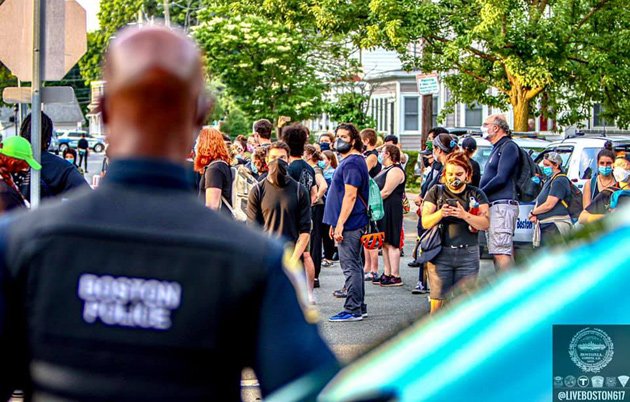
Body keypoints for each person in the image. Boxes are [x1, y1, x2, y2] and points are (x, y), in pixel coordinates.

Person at [0, 25, 338, 401]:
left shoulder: (18, 244)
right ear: (200, 111)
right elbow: (314, 390)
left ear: (105, 111)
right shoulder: (254, 260)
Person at [422, 152, 489, 314]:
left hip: (468, 254)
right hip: (440, 253)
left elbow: (486, 223)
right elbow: (425, 222)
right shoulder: (436, 192)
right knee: (437, 305)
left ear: (467, 175)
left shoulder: (476, 194)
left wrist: (464, 215)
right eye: (450, 174)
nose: (454, 178)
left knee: (465, 304)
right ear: (444, 175)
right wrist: (440, 214)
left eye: (459, 174)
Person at [246, 142, 312, 291]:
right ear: (267, 160)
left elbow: (305, 231)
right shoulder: (257, 190)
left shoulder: (299, 190)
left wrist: (293, 261)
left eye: (282, 157)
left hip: (293, 259)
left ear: (288, 160)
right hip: (266, 260)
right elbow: (252, 230)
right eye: (273, 157)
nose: (277, 161)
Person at [324, 123, 370, 322]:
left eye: (344, 136)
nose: (340, 139)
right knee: (355, 265)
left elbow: (350, 196)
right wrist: (336, 222)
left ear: (353, 140)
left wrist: (340, 223)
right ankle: (359, 305)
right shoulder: (351, 161)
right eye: (338, 136)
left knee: (350, 265)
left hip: (351, 223)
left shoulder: (352, 163)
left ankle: (353, 309)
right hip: (348, 221)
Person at [410, 128, 452, 295]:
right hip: (428, 213)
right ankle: (424, 281)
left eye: (431, 142)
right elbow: (429, 186)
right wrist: (422, 196)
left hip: (440, 219)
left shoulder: (446, 167)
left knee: (434, 249)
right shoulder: (435, 165)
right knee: (426, 245)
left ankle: (433, 285)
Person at [479, 114, 520, 270]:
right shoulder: (496, 148)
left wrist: (480, 192)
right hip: (494, 205)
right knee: (497, 250)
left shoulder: (508, 146)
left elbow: (501, 177)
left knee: (501, 251)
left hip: (502, 205)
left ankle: (511, 290)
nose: (483, 128)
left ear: (496, 127)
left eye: (486, 124)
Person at [281, 123, 317, 294]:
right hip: (307, 214)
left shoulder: (289, 169)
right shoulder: (308, 167)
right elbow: (315, 194)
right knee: (307, 255)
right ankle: (309, 292)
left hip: (292, 218)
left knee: (292, 254)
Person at [18, 112, 89, 199]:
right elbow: (91, 201)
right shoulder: (63, 168)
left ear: (21, 133)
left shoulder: (6, 163)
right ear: (48, 137)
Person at [374, 145, 406, 287]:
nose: (380, 154)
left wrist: (372, 201)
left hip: (392, 208)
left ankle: (395, 275)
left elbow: (386, 191)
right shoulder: (385, 170)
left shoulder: (396, 170)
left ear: (387, 154)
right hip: (383, 208)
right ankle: (387, 272)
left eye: (382, 152)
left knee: (392, 241)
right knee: (385, 242)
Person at [529, 152, 573, 247]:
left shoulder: (559, 180)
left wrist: (533, 213)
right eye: (544, 165)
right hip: (546, 225)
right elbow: (541, 199)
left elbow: (549, 204)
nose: (545, 168)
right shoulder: (550, 179)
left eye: (547, 165)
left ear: (556, 165)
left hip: (554, 226)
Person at [579, 154, 630, 224]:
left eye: (623, 165)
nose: (620, 169)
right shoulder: (609, 193)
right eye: (617, 165)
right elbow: (583, 217)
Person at [194, 127, 233, 214]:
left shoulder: (214, 169)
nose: (196, 146)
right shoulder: (221, 165)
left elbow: (212, 206)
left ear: (205, 144)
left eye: (198, 142)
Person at [305, 145, 329, 288]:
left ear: (309, 155)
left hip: (316, 208)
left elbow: (324, 185)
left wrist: (315, 198)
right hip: (315, 207)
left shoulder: (315, 169)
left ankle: (314, 276)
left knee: (314, 240)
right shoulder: (310, 169)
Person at [360, 128, 381, 282]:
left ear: (366, 141)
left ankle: (374, 269)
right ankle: (367, 266)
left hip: (371, 199)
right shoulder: (366, 155)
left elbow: (362, 172)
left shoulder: (372, 156)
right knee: (366, 235)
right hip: (365, 198)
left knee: (372, 236)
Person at [0, 136, 41, 213]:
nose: (26, 168)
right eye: (25, 164)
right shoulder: (3, 190)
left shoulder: (7, 178)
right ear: (13, 162)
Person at [582, 141, 616, 208]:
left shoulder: (618, 183)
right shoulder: (590, 184)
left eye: (608, 163)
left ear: (613, 164)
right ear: (597, 163)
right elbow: (586, 211)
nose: (605, 166)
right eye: (602, 163)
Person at [321, 150, 338, 268]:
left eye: (323, 159)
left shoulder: (333, 173)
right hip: (322, 204)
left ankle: (329, 255)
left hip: (329, 203)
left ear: (330, 160)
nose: (321, 161)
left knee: (328, 231)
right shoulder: (320, 172)